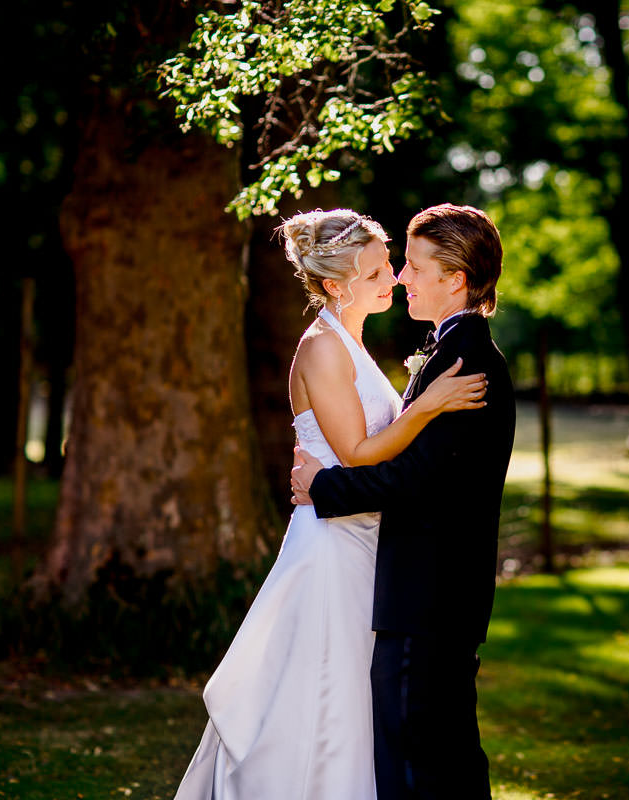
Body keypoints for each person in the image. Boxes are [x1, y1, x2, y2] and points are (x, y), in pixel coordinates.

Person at [174, 209, 488, 800]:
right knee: (322, 694)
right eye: (374, 273)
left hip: (368, 542)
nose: (392, 279)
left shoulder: (354, 345)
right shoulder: (321, 348)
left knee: (357, 702)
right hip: (331, 545)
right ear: (335, 286)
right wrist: (427, 406)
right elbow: (359, 452)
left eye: (389, 267)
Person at [290, 203, 515, 800]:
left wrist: (323, 488)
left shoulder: (465, 362)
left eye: (413, 266)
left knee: (421, 766)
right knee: (435, 757)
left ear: (456, 279)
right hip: (430, 595)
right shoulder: (451, 353)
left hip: (429, 597)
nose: (401, 278)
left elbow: (415, 478)